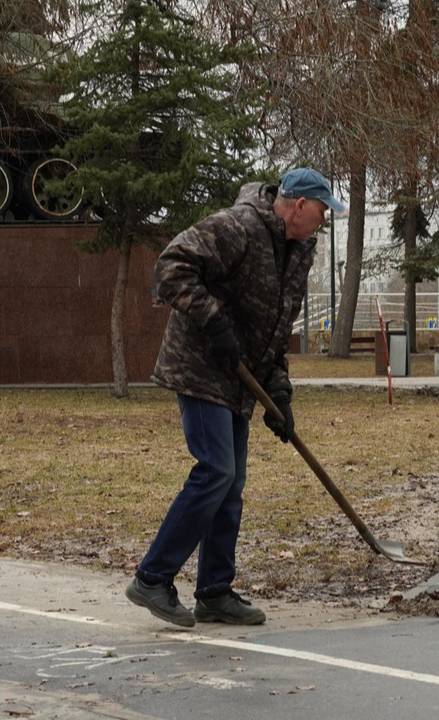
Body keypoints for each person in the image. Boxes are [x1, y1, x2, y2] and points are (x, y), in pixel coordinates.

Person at [125, 168, 346, 627]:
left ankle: (214, 592)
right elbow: (171, 266)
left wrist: (279, 394)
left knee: (232, 482)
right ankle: (152, 578)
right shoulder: (237, 225)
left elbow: (278, 325)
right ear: (300, 205)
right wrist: (213, 322)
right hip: (201, 365)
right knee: (217, 470)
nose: (325, 220)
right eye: (323, 211)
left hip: (240, 378)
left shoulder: (301, 249)